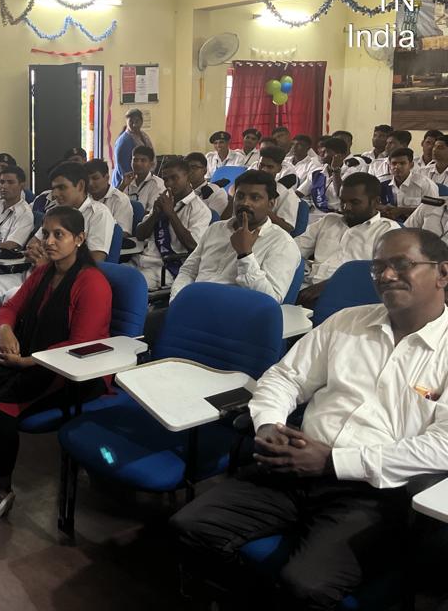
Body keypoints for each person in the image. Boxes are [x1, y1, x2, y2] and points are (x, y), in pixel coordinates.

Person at [171, 228, 448, 610]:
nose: (385, 276)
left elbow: (442, 447)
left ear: (443, 274)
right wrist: (269, 424)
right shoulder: (346, 322)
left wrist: (334, 460)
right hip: (295, 464)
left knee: (306, 585)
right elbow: (286, 377)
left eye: (401, 265)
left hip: (373, 491)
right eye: (378, 267)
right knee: (190, 526)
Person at [0, 206, 111, 533]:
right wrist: (6, 331)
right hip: (30, 359)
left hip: (70, 372)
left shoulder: (92, 283)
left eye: (59, 235)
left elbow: (78, 346)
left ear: (79, 239)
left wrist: (26, 361)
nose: (49, 241)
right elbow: (9, 308)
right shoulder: (42, 273)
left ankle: (4, 488)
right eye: (45, 233)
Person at [0, 162, 114, 307]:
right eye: (54, 188)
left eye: (62, 187)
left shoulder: (98, 214)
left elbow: (95, 261)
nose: (55, 194)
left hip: (62, 284)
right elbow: (33, 244)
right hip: (33, 275)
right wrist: (35, 253)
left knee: (12, 296)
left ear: (80, 186)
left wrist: (49, 264)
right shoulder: (55, 211)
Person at [170, 170, 300, 303]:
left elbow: (270, 300)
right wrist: (176, 300)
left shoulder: (282, 243)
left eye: (255, 198)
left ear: (271, 204)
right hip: (193, 306)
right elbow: (188, 271)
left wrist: (245, 255)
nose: (245, 203)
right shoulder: (216, 229)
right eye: (240, 196)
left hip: (234, 316)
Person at [295, 173, 399, 307]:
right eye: (343, 201)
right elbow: (293, 249)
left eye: (354, 202)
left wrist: (331, 284)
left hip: (347, 296)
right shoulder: (328, 221)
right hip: (305, 287)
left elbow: (382, 274)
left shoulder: (387, 231)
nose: (346, 207)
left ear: (376, 201)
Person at [132, 159, 213, 291]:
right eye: (165, 179)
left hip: (167, 268)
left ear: (187, 176)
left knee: (127, 285)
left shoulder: (200, 210)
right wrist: (155, 214)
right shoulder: (164, 201)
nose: (169, 183)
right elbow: (140, 235)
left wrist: (171, 214)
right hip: (141, 260)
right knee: (111, 278)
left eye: (174, 178)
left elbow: (194, 246)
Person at [378, 147, 438, 222]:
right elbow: (372, 204)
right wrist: (384, 208)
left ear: (411, 165)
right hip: (388, 225)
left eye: (402, 163)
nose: (397, 167)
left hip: (418, 227)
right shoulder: (383, 183)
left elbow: (433, 210)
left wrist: (402, 211)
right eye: (394, 163)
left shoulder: (425, 184)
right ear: (389, 165)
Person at [298, 136, 349, 213]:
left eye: (326, 151)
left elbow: (341, 194)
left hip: (337, 215)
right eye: (321, 151)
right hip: (315, 214)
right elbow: (299, 193)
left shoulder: (350, 173)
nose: (321, 154)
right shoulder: (317, 173)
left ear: (340, 155)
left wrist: (335, 170)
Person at [257, 147, 301, 233]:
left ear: (279, 169)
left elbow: (287, 227)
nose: (264, 170)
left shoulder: (287, 194)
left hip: (269, 237)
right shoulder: (249, 186)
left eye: (270, 167)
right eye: (261, 165)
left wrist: (263, 209)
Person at [85, 159, 134, 233]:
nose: (90, 183)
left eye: (95, 178)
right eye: (87, 179)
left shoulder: (120, 200)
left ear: (107, 178)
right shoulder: (84, 197)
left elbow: (123, 233)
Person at [112, 108, 153, 187]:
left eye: (137, 121)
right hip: (126, 183)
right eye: (131, 122)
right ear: (127, 122)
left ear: (141, 121)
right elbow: (124, 168)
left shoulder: (144, 136)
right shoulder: (124, 141)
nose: (134, 124)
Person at [185, 152, 230, 217]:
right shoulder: (182, 191)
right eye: (186, 168)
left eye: (194, 167)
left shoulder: (217, 192)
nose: (189, 171)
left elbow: (210, 220)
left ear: (205, 170)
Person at [121, 145, 164, 212]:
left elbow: (151, 213)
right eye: (135, 160)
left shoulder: (157, 184)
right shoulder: (128, 180)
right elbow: (114, 203)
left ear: (151, 164)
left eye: (143, 160)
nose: (138, 163)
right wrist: (123, 185)